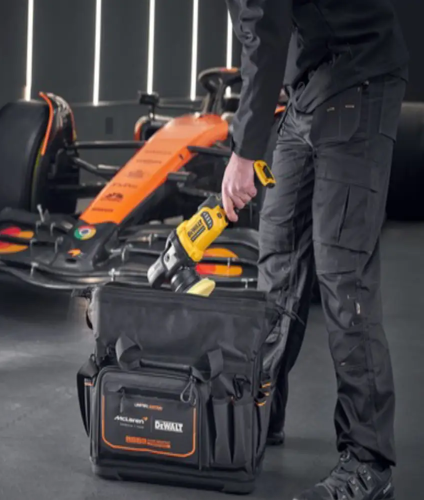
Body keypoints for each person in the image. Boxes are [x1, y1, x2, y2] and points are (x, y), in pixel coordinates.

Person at [223, 1, 409, 499]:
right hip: (310, 88)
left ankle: (369, 461)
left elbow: (264, 29)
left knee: (342, 272)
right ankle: (260, 413)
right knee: (278, 252)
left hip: (360, 73)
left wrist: (244, 152)